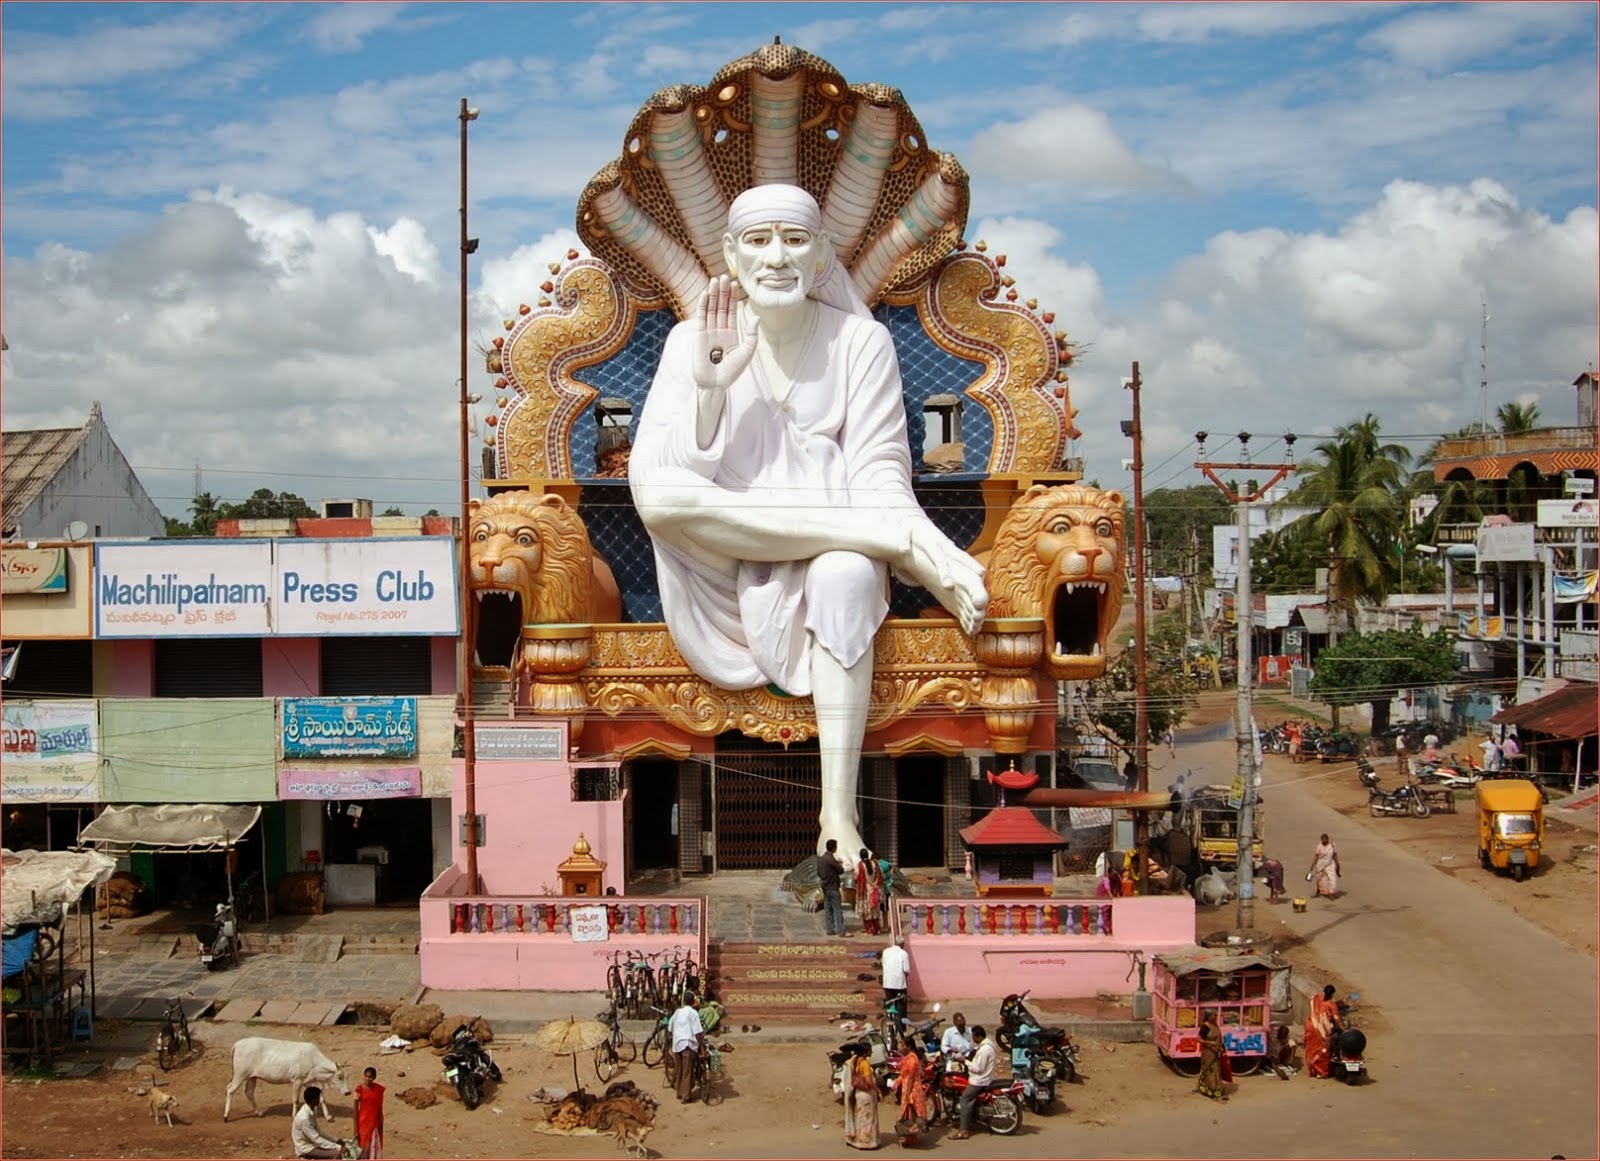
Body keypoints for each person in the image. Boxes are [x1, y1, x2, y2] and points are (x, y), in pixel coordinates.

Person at [629, 184, 989, 868]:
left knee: (847, 570)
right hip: (723, 553)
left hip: (841, 546)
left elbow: (883, 477)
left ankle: (837, 815)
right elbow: (661, 484)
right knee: (662, 498)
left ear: (822, 251)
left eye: (795, 240)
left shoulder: (862, 342)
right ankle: (894, 545)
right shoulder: (690, 343)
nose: (777, 257)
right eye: (758, 241)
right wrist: (709, 391)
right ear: (731, 254)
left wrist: (882, 528)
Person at [951, 1024, 995, 1139]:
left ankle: (963, 1130)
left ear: (979, 1036)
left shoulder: (984, 1050)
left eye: (974, 1037)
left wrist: (965, 1061)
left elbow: (978, 1068)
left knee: (964, 1100)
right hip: (985, 1078)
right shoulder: (987, 1044)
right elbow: (973, 1052)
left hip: (979, 1081)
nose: (973, 1039)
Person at [669, 993, 706, 1103]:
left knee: (679, 1070)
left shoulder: (677, 1012)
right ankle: (686, 1096)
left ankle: (679, 1093)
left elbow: (670, 1028)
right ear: (693, 1002)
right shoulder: (693, 1013)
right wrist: (702, 1048)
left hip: (677, 1045)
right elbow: (697, 1032)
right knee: (687, 1071)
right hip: (688, 1044)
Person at [292, 1086, 345, 1160]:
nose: (319, 1100)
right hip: (305, 1148)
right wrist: (337, 1147)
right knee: (336, 1154)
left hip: (312, 1143)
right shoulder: (304, 1118)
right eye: (318, 1098)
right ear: (314, 1100)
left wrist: (335, 1140)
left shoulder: (313, 1110)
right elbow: (316, 1138)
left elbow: (318, 1131)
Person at [844, 1048, 881, 1149]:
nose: (872, 1052)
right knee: (868, 1119)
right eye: (870, 1050)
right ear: (865, 1052)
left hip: (858, 1093)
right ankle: (867, 1142)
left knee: (860, 1118)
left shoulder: (853, 1061)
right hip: (866, 1094)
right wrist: (877, 1090)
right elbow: (869, 1081)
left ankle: (858, 1139)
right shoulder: (864, 1064)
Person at [1304, 984, 1343, 1079]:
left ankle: (1313, 1071)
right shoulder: (1331, 1005)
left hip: (1310, 1026)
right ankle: (1322, 1072)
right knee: (1323, 1050)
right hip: (1321, 1030)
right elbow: (1336, 1019)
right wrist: (1343, 1029)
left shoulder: (1317, 998)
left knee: (1312, 1049)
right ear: (1333, 994)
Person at [894, 1042, 930, 1142]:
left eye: (903, 1045)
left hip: (913, 1089)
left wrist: (908, 1094)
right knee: (908, 1113)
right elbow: (904, 1075)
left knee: (912, 1114)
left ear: (909, 1047)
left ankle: (910, 1137)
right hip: (907, 1088)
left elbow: (910, 1078)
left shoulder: (913, 1060)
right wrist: (897, 1083)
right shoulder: (908, 1058)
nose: (901, 1048)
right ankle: (908, 1137)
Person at [353, 1067, 384, 1159]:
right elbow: (355, 1110)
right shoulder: (359, 1090)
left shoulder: (379, 1090)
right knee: (363, 1149)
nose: (367, 1079)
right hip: (363, 1123)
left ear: (374, 1078)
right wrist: (355, 1130)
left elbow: (379, 1108)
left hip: (375, 1124)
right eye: (366, 1076)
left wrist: (381, 1124)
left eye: (370, 1077)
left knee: (373, 1149)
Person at [818, 839, 847, 937]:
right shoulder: (831, 859)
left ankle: (830, 929)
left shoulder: (821, 859)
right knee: (837, 909)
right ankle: (841, 930)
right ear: (834, 848)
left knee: (828, 910)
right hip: (833, 887)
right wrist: (840, 864)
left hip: (825, 887)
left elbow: (819, 872)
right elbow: (840, 870)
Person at [1196, 1015, 1228, 1101]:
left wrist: (1221, 1047)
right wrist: (1210, 1042)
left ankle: (1217, 1088)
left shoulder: (1215, 1025)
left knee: (1216, 1071)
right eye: (1214, 1015)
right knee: (1208, 1071)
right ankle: (1211, 1090)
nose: (1216, 1017)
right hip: (1208, 1053)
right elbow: (1199, 1039)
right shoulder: (1205, 1026)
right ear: (1209, 1017)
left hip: (1216, 1052)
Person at [881, 936, 910, 1026]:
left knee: (890, 1003)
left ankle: (890, 1022)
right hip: (899, 984)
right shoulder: (903, 953)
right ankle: (901, 1025)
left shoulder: (886, 951)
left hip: (887, 983)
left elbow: (883, 964)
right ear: (902, 944)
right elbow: (906, 969)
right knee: (901, 1005)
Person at [1306, 833, 1340, 899]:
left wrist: (1337, 863)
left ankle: (1330, 893)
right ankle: (1318, 891)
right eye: (1322, 839)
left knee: (1332, 878)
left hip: (1330, 864)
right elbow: (1316, 856)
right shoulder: (1319, 846)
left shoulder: (1332, 845)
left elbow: (1335, 855)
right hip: (1320, 864)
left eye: (1325, 839)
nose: (1324, 840)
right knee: (1319, 879)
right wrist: (1312, 865)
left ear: (1328, 839)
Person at [854, 848, 878, 936]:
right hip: (874, 889)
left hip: (865, 891)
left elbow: (856, 878)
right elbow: (878, 875)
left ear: (860, 856)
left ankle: (869, 930)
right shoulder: (874, 863)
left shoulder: (860, 865)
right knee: (874, 910)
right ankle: (876, 929)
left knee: (866, 911)